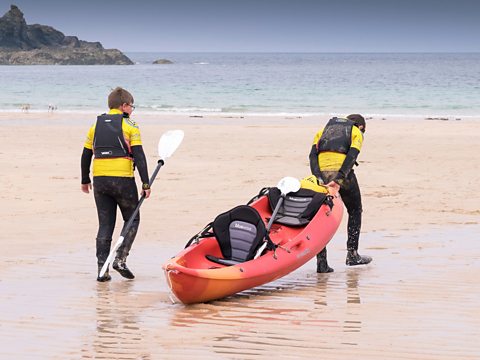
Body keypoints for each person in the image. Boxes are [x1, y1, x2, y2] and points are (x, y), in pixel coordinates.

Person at [81, 87, 151, 282]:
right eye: (132, 106)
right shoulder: (130, 126)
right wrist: (146, 183)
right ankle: (120, 259)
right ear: (124, 106)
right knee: (132, 219)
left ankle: (101, 270)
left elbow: (86, 154)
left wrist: (84, 179)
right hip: (123, 181)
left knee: (105, 224)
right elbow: (139, 155)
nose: (133, 110)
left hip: (100, 181)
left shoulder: (95, 126)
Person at [309, 114, 372, 273]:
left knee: (322, 216)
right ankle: (352, 254)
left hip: (321, 175)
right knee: (355, 210)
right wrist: (339, 179)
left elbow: (312, 155)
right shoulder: (356, 132)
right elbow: (352, 155)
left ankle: (321, 263)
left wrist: (318, 177)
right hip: (341, 174)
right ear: (361, 127)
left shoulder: (323, 131)